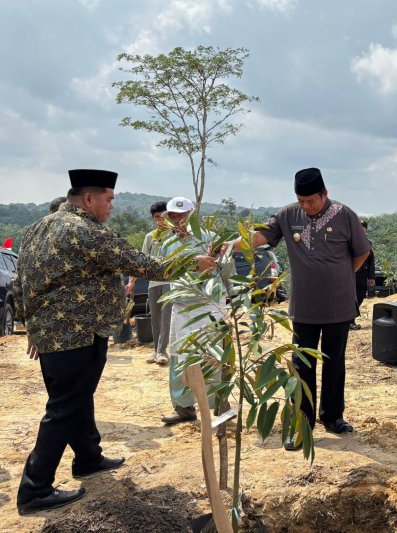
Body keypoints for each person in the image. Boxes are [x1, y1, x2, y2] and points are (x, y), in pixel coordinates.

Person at [14, 169, 214, 514]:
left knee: (76, 399)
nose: (111, 207)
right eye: (108, 200)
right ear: (89, 198)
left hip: (51, 335)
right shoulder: (87, 231)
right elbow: (142, 263)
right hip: (78, 334)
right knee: (64, 408)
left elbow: (21, 280)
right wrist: (190, 263)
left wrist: (30, 325)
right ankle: (35, 489)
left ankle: (88, 458)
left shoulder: (37, 227)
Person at [224, 168, 370, 449]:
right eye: (301, 201)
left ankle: (333, 417)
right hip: (304, 306)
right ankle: (302, 423)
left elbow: (362, 251)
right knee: (302, 365)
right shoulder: (288, 215)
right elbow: (259, 237)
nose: (306, 206)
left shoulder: (344, 215)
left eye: (311, 201)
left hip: (338, 304)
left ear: (325, 194)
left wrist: (342, 276)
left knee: (334, 362)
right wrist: (229, 246)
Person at [159, 197, 233, 425]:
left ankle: (220, 404)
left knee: (214, 355)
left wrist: (230, 296)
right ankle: (183, 406)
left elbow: (227, 269)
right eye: (173, 216)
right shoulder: (167, 244)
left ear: (193, 215)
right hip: (182, 306)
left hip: (210, 304)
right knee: (180, 356)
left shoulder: (211, 239)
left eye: (183, 215)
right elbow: (163, 271)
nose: (178, 220)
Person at [125, 201, 171, 365]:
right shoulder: (150, 237)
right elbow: (141, 262)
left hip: (171, 282)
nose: (161, 220)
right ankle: (156, 350)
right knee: (155, 317)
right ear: (153, 218)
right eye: (157, 217)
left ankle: (162, 351)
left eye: (164, 216)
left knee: (166, 317)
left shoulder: (175, 235)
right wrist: (131, 282)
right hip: (154, 283)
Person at [351, 220, 376, 330]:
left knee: (360, 296)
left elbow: (371, 260)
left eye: (363, 227)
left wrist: (371, 277)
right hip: (351, 273)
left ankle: (350, 320)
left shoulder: (368, 243)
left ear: (366, 229)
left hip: (363, 274)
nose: (361, 228)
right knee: (352, 297)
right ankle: (350, 321)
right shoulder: (349, 241)